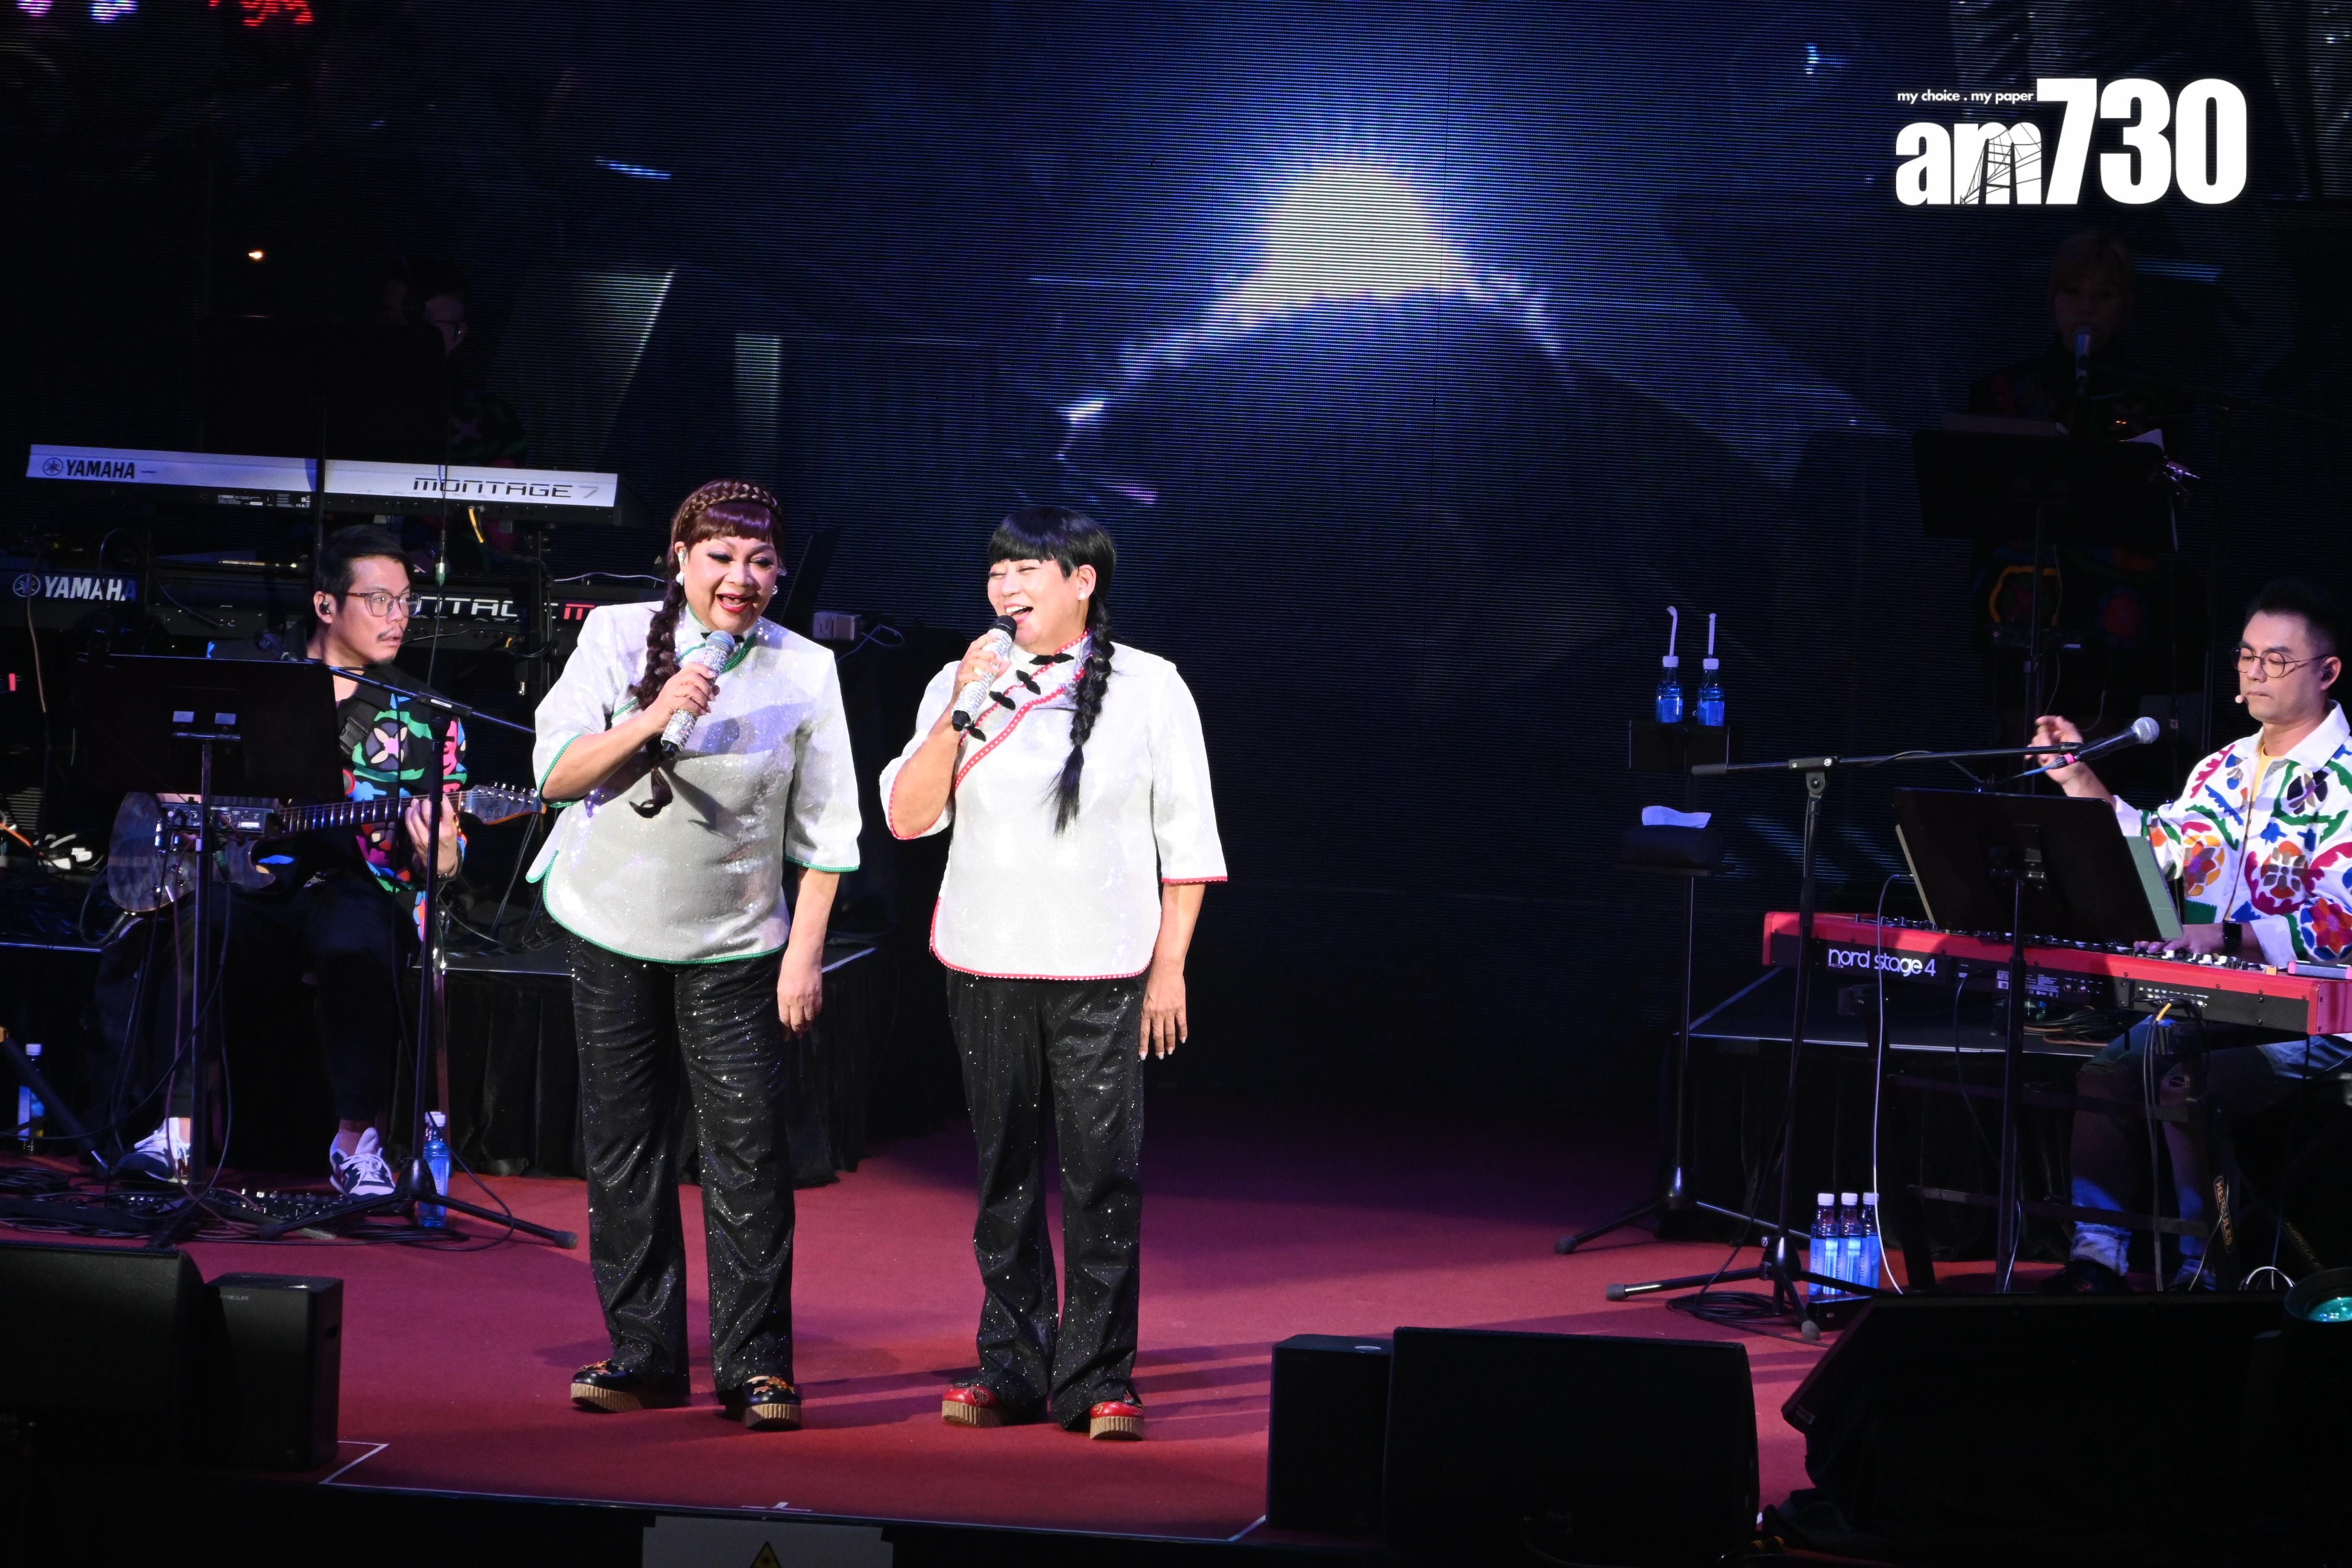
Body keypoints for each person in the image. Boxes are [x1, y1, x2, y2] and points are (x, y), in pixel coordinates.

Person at [879, 505, 1225, 1441]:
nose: (1006, 587)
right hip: (987, 958)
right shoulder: (963, 678)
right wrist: (959, 706)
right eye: (996, 571)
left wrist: (1170, 968)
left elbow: (1188, 839)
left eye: (1027, 568)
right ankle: (1012, 1361)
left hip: (1103, 965)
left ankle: (1098, 1373)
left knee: (1103, 1174)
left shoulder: (1151, 685)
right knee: (1003, 1169)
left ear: (1083, 581)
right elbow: (908, 818)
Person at [528, 479, 860, 1431]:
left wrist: (803, 955)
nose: (740, 578)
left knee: (747, 1152)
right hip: (610, 924)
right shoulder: (615, 635)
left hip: (735, 945)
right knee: (623, 1144)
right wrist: (653, 713)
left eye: (760, 561)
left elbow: (828, 830)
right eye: (719, 557)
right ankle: (643, 1353)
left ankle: (756, 1366)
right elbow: (554, 775)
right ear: (679, 560)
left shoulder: (806, 668)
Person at [119, 525, 466, 1198]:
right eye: (379, 600)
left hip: (353, 886)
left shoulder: (425, 717)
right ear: (325, 605)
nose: (398, 617)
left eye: (406, 602)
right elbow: (162, 757)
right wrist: (181, 793)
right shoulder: (250, 679)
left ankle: (356, 1143)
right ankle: (178, 1132)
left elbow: (447, 864)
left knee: (357, 940)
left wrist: (441, 846)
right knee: (201, 921)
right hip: (245, 878)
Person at [2033, 578, 2352, 1291]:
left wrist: (2229, 936)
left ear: (2328, 671)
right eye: (2247, 655)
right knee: (2107, 1073)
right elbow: (2156, 849)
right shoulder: (2223, 768)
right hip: (2223, 1001)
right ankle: (2096, 1259)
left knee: (2186, 1087)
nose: (2256, 671)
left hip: (2328, 1011)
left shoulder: (2347, 779)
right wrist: (2078, 778)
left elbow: (2340, 923)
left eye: (2277, 659)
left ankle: (2203, 1272)